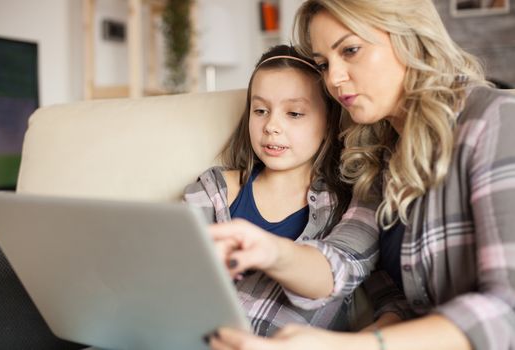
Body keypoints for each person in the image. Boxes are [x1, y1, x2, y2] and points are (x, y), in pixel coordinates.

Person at [206, 1, 515, 349]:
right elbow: (341, 261)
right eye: (324, 64)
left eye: (350, 50)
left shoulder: (495, 121)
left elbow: (507, 311)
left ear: (408, 37)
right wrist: (271, 250)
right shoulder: (383, 157)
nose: (334, 79)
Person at [184, 45, 406, 336]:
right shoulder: (213, 192)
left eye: (294, 113)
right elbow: (169, 277)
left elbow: (394, 300)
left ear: (329, 121)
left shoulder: (347, 211)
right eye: (260, 110)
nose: (271, 126)